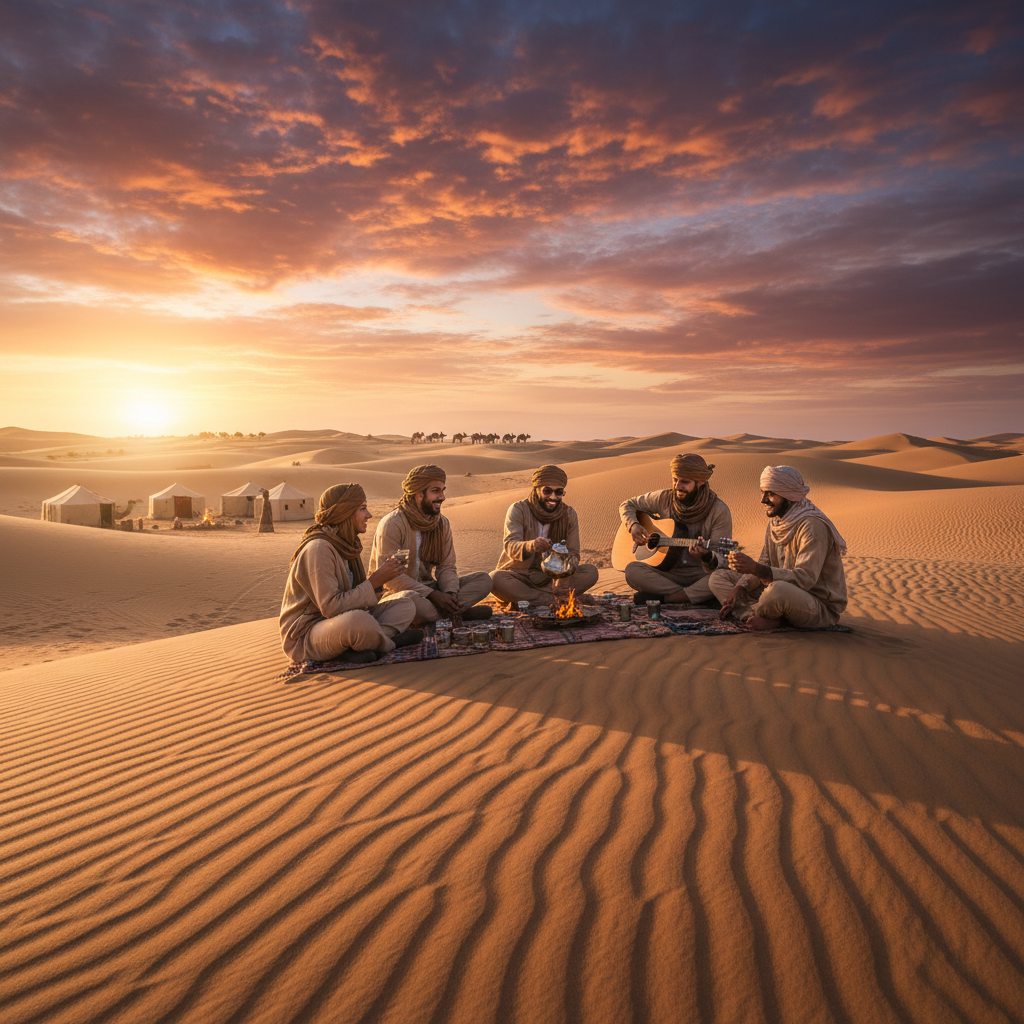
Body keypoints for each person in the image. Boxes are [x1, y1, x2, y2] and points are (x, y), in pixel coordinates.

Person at [280, 483, 422, 664]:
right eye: (362, 509)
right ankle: (389, 643)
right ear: (344, 512)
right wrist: (374, 581)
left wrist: (381, 581)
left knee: (406, 605)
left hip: (341, 621)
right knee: (359, 621)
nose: (368, 515)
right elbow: (330, 608)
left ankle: (359, 645)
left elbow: (356, 598)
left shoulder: (347, 545)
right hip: (307, 634)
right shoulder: (319, 548)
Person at [707, 465, 847, 630]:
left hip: (816, 605)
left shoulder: (812, 526)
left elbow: (805, 579)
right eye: (763, 492)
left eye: (771, 494)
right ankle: (753, 615)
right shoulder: (776, 522)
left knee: (776, 591)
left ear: (789, 495)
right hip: (778, 588)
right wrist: (740, 588)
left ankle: (767, 617)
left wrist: (756, 569)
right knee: (718, 578)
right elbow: (765, 561)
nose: (763, 500)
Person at [369, 464, 493, 624]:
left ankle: (450, 609)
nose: (442, 497)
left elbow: (446, 566)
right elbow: (390, 579)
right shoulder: (393, 524)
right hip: (396, 593)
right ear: (418, 494)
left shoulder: (442, 523)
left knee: (484, 580)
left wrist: (450, 594)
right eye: (436, 491)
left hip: (431, 588)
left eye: (443, 490)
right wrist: (433, 595)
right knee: (410, 601)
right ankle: (458, 612)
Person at [618, 453, 733, 606]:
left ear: (701, 482)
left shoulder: (719, 511)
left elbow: (723, 559)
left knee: (725, 576)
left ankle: (669, 599)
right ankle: (692, 597)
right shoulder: (664, 498)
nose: (677, 486)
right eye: (675, 480)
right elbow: (627, 504)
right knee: (632, 570)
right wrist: (633, 525)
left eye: (685, 481)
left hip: (700, 574)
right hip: (667, 573)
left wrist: (706, 556)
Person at [490, 465, 599, 608]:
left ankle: (532, 600)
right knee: (494, 579)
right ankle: (558, 599)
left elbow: (574, 553)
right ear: (536, 489)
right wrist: (532, 545)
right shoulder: (518, 509)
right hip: (521, 576)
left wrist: (563, 575)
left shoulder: (569, 514)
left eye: (559, 492)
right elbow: (510, 546)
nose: (553, 497)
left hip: (554, 578)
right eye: (547, 491)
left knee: (590, 572)